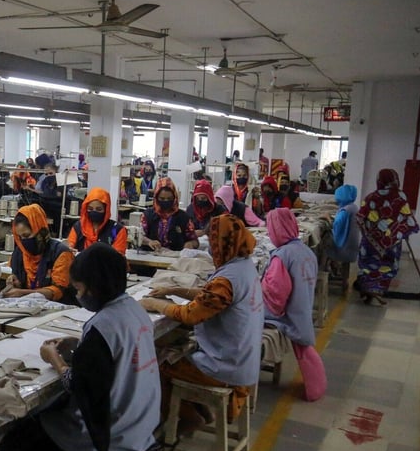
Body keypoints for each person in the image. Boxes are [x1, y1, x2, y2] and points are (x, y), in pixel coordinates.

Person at [0, 244, 161, 451]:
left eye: (79, 289)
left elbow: (79, 386)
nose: (78, 295)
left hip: (112, 438)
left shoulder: (102, 326)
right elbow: (120, 352)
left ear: (94, 287)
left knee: (27, 428)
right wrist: (81, 343)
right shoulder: (135, 309)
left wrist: (54, 359)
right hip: (142, 424)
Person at [140, 215, 264, 434]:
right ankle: (202, 412)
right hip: (243, 357)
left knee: (155, 366)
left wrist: (154, 304)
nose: (211, 250)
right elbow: (212, 296)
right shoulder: (243, 267)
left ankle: (187, 419)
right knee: (173, 351)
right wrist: (175, 290)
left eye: (212, 243)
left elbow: (190, 315)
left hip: (226, 366)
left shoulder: (227, 279)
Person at [261, 208, 327, 401]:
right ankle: (316, 386)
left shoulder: (282, 256)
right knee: (304, 347)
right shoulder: (305, 251)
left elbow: (275, 295)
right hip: (302, 307)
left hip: (287, 313)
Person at [356, 168, 420, 305]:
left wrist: (368, 232)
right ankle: (378, 290)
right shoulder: (400, 197)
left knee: (369, 264)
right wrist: (402, 232)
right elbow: (406, 218)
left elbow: (360, 217)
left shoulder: (371, 197)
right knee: (387, 265)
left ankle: (369, 289)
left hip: (370, 242)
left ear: (379, 181)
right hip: (392, 242)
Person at [3, 204, 75, 303]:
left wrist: (23, 293)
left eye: (27, 235)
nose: (24, 241)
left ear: (39, 230)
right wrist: (16, 282)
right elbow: (19, 279)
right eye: (20, 237)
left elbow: (58, 291)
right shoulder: (19, 253)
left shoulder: (61, 253)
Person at [140, 177, 198, 251]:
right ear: (156, 198)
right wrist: (149, 242)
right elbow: (139, 236)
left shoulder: (183, 217)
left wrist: (190, 244)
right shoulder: (148, 215)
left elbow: (195, 241)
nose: (166, 201)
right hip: (151, 255)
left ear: (174, 198)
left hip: (175, 256)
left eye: (169, 199)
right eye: (162, 199)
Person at [67, 187, 128, 255]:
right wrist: (69, 250)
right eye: (90, 209)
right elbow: (70, 245)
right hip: (80, 261)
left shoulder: (116, 230)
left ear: (106, 210)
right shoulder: (78, 227)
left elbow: (118, 256)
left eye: (99, 209)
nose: (94, 212)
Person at [326, 184, 360, 264]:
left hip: (343, 249)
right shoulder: (354, 207)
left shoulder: (344, 211)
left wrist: (327, 217)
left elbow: (336, 226)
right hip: (353, 248)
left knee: (324, 242)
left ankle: (328, 267)